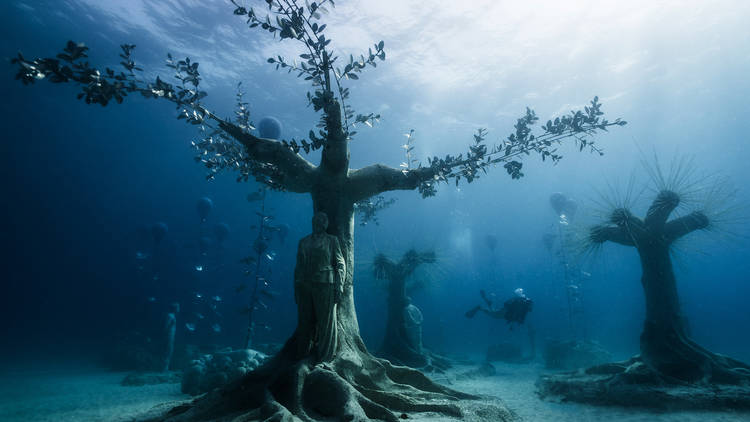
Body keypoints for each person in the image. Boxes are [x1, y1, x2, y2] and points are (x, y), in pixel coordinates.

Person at [294, 212, 346, 362]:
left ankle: (326, 359)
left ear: (326, 224)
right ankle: (302, 356)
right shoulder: (303, 242)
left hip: (325, 284)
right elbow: (298, 267)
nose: (319, 223)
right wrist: (296, 287)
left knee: (327, 323)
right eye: (316, 220)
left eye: (323, 221)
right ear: (312, 222)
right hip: (304, 285)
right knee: (304, 321)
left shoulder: (332, 241)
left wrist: (339, 286)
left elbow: (340, 264)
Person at [465, 288, 533, 326]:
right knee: (494, 314)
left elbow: (508, 305)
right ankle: (479, 307)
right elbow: (507, 305)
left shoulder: (522, 303)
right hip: (505, 313)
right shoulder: (522, 303)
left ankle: (486, 301)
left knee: (493, 312)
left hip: (506, 313)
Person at [161, 302, 180, 372]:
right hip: (169, 336)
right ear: (174, 308)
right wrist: (165, 335)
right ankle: (164, 368)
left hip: (171, 336)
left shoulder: (173, 316)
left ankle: (166, 367)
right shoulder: (170, 316)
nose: (179, 309)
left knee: (170, 351)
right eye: (178, 307)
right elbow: (166, 326)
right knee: (168, 350)